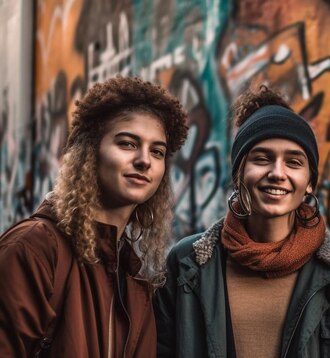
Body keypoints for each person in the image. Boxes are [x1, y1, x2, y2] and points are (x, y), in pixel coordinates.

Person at [154, 85, 330, 357]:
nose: (277, 173)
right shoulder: (186, 264)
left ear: (310, 183)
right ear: (239, 174)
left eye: (293, 162)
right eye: (262, 158)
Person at [0, 76, 189, 357]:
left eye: (157, 151)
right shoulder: (35, 248)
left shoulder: (136, 279)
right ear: (90, 152)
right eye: (127, 143)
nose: (144, 160)